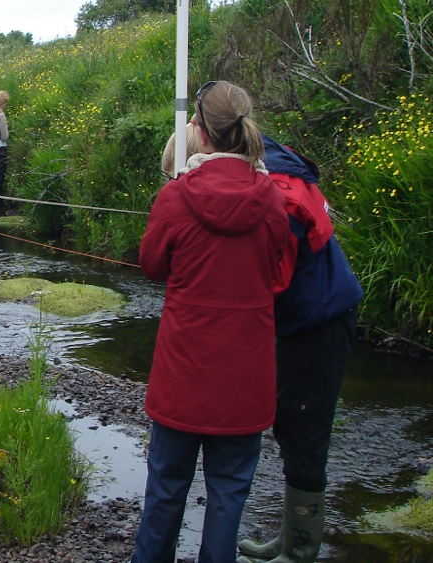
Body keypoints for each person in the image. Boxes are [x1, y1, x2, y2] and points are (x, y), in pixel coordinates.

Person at [131, 80, 291, 563]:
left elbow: (152, 266)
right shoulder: (273, 200)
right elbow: (279, 271)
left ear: (198, 132)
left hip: (184, 371)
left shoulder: (176, 198)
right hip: (246, 376)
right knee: (228, 496)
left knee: (166, 490)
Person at [235, 139, 363, 563]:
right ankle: (290, 537)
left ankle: (302, 548)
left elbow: (274, 278)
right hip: (309, 315)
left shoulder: (279, 196)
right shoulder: (272, 169)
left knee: (304, 428)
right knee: (290, 422)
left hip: (320, 319)